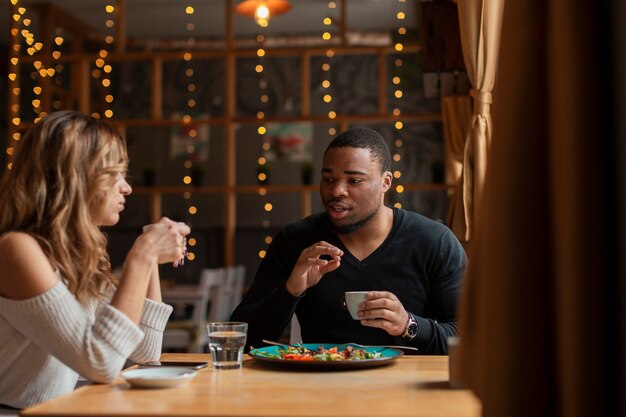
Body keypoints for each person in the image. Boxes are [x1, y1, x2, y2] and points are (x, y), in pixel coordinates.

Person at [0, 111, 190, 409]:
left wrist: (149, 260)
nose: (126, 187)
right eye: (113, 174)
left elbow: (146, 352)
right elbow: (101, 362)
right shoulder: (17, 249)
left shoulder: (74, 252)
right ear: (74, 177)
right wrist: (143, 255)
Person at [231, 127, 466, 354]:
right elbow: (240, 339)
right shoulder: (295, 240)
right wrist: (291, 290)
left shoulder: (435, 242)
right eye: (329, 179)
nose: (336, 191)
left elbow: (468, 338)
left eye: (354, 181)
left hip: (409, 390)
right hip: (322, 387)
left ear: (386, 182)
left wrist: (408, 325)